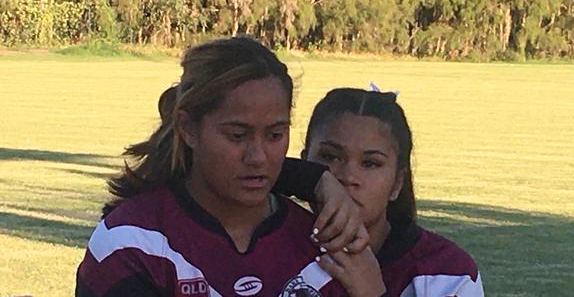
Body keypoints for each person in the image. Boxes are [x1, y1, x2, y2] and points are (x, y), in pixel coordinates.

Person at [76, 37, 366, 296]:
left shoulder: (323, 244)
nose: (258, 157)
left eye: (275, 135)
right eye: (237, 135)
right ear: (188, 128)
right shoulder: (133, 243)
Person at [302, 88, 485, 296]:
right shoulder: (271, 242)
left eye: (370, 163)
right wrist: (310, 180)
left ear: (397, 182)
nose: (348, 177)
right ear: (303, 161)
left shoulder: (445, 271)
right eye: (330, 156)